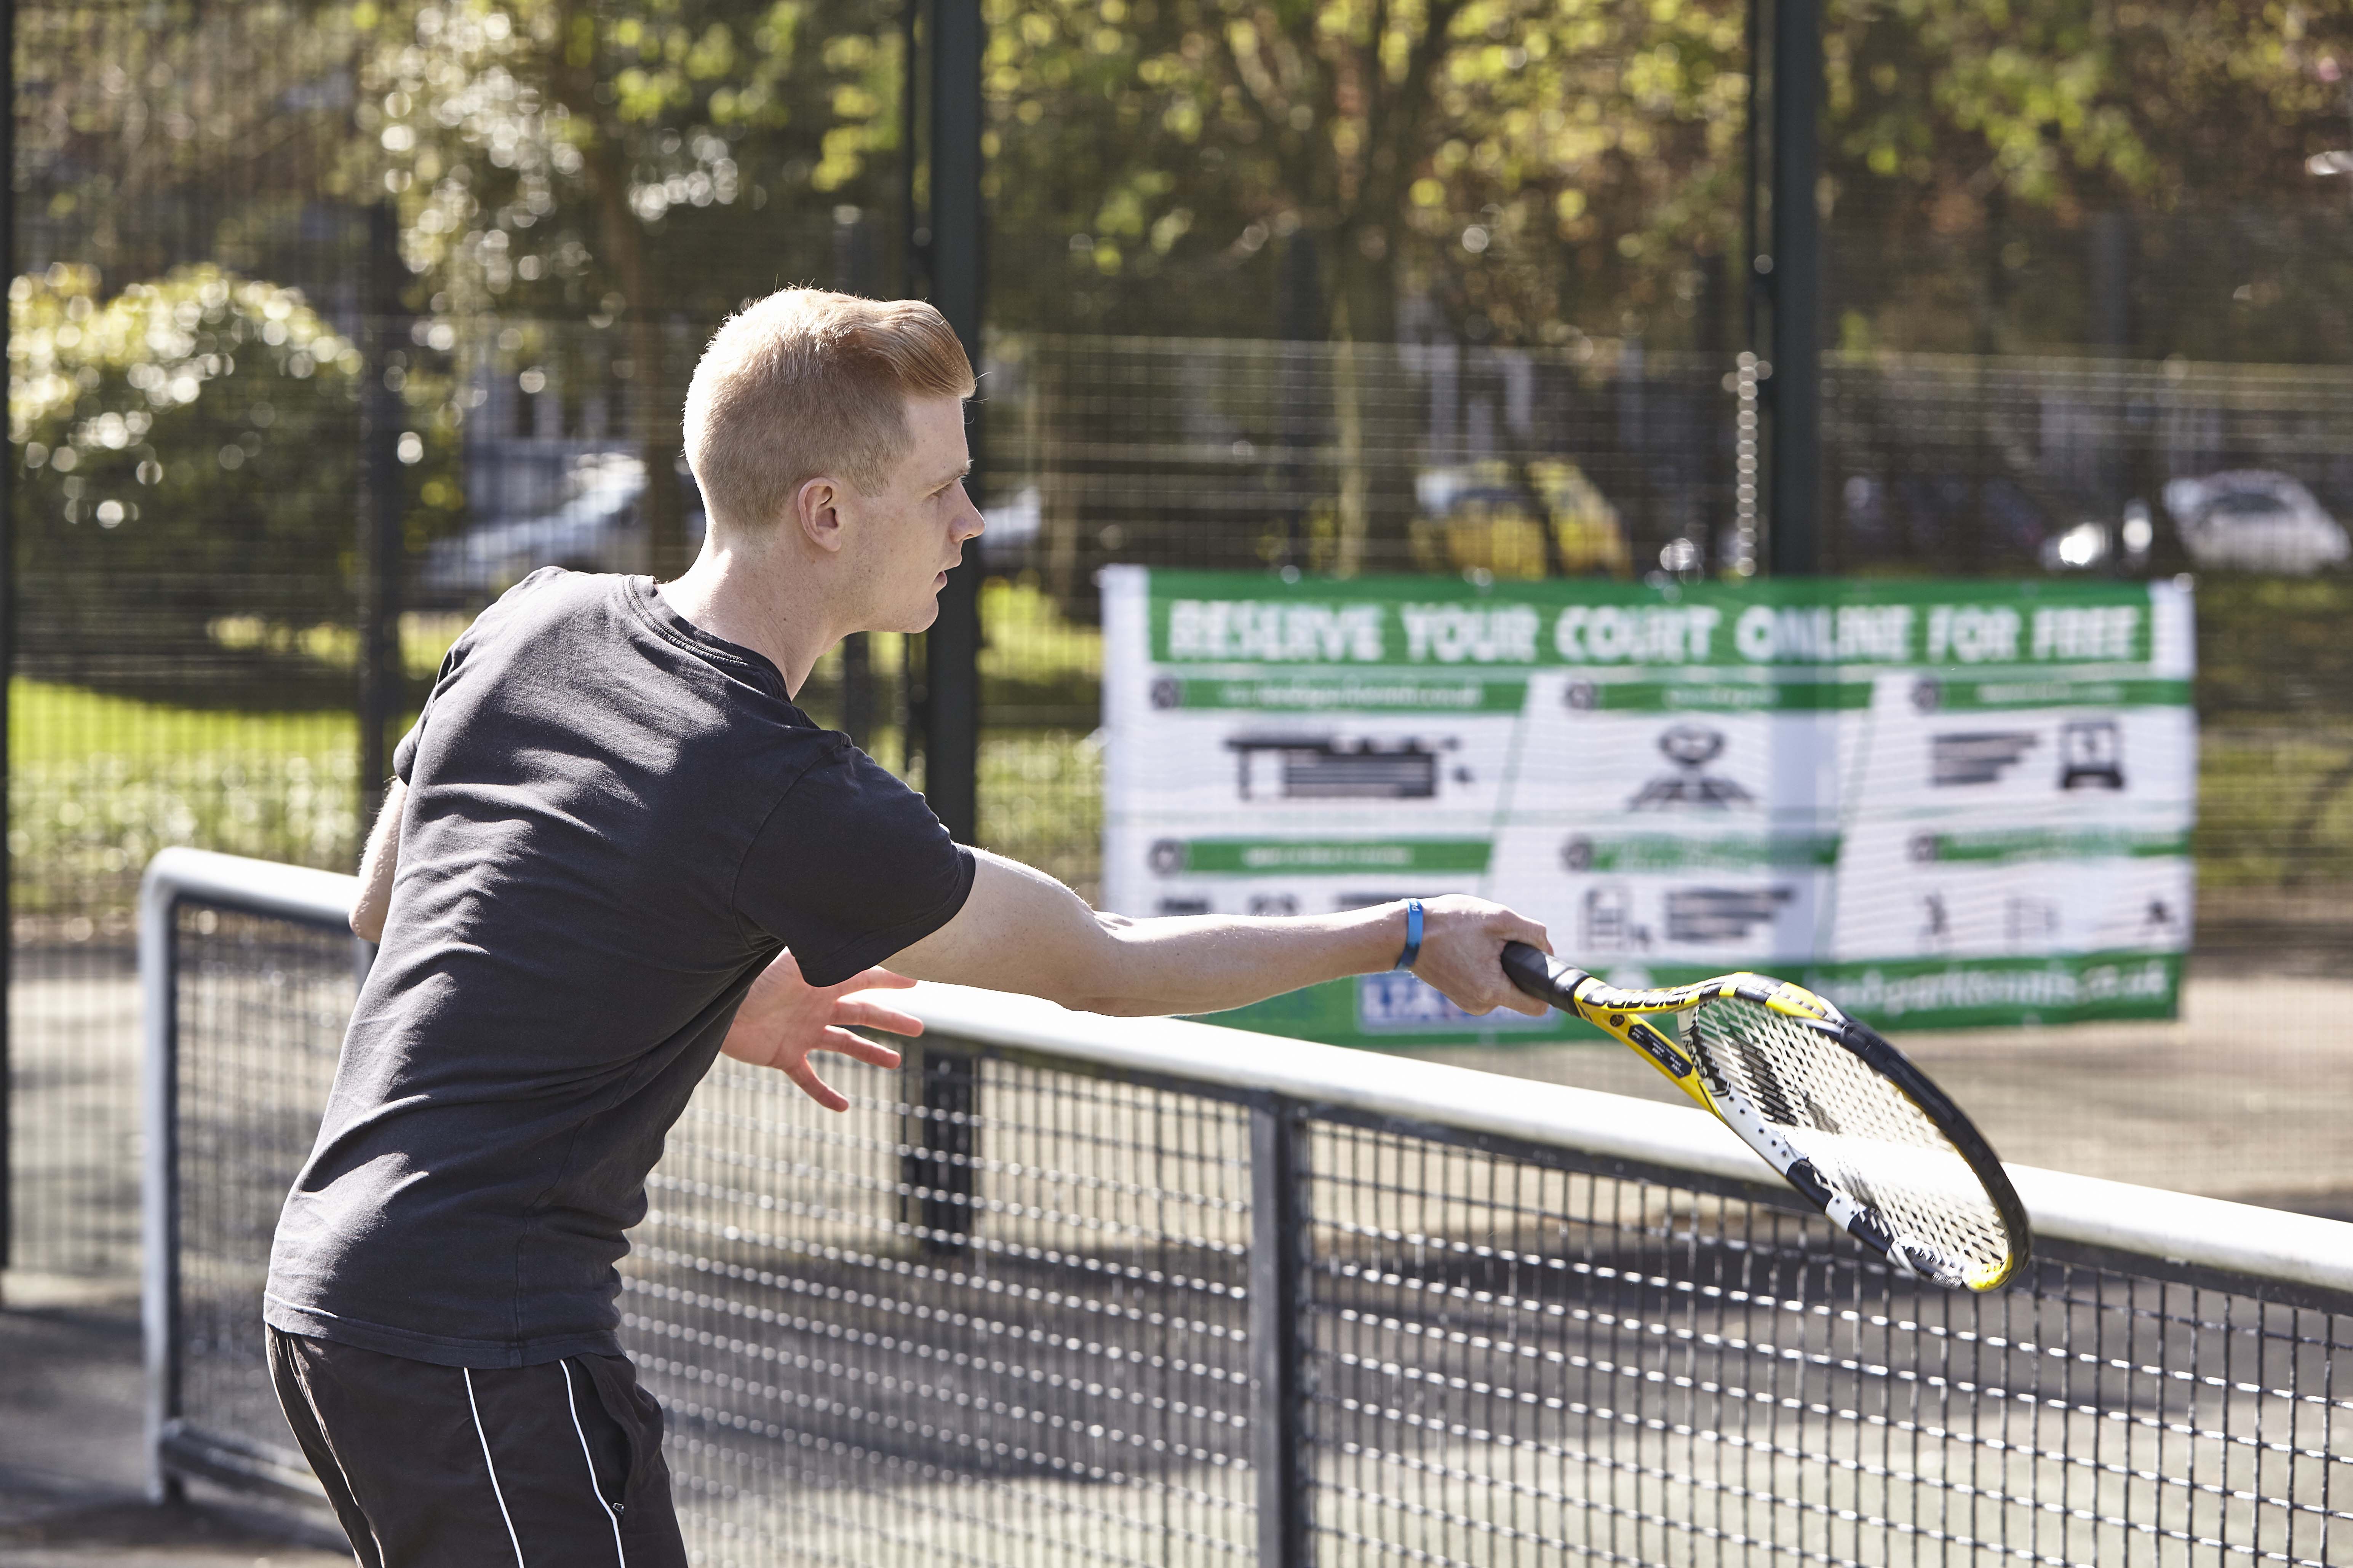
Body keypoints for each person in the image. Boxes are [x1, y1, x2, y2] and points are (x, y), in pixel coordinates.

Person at [263, 287, 1552, 1568]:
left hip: (332, 1294)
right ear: (827, 512)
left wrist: (696, 985)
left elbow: (395, 900)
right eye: (942, 489)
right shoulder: (792, 797)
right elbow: (1101, 964)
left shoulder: (530, 620)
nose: (972, 522)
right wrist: (1404, 930)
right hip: (475, 1342)